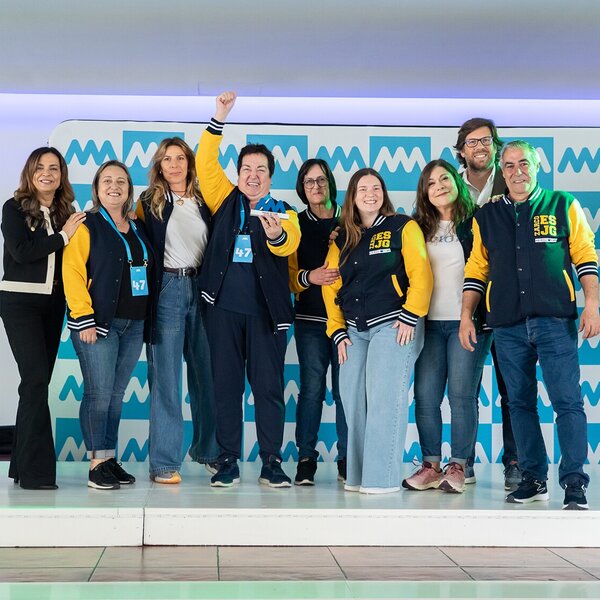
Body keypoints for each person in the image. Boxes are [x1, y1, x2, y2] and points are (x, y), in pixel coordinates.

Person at [459, 140, 599, 510]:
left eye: (524, 163)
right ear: (501, 172)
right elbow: (477, 269)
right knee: (519, 403)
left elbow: (585, 255)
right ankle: (533, 479)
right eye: (509, 165)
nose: (517, 171)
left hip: (555, 321)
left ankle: (574, 483)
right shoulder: (487, 216)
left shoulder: (562, 204)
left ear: (537, 166)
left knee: (567, 402)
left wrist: (592, 304)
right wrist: (466, 315)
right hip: (506, 325)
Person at [195, 92, 301, 488]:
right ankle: (227, 461)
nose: (252, 175)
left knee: (269, 390)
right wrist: (220, 116)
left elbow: (289, 243)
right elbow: (205, 162)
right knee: (225, 388)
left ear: (270, 177)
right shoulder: (224, 199)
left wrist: (275, 236)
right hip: (221, 311)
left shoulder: (283, 211)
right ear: (238, 174)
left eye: (261, 170)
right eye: (246, 169)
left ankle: (271, 462)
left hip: (266, 316)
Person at [322, 168, 433, 494]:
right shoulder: (343, 237)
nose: (370, 194)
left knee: (384, 399)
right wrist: (337, 330)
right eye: (362, 189)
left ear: (383, 193)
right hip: (354, 330)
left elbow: (421, 271)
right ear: (352, 197)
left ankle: (381, 480)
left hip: (394, 323)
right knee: (353, 400)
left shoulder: (402, 226)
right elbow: (330, 284)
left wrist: (411, 314)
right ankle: (357, 477)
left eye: (375, 188)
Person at [402, 160, 492, 494]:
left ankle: (459, 466)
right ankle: (430, 465)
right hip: (428, 323)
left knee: (461, 395)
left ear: (457, 182)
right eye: (431, 182)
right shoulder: (415, 227)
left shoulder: (477, 220)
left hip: (467, 322)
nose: (438, 185)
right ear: (424, 192)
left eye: (444, 178)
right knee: (425, 396)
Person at [63, 161, 154, 490]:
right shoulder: (86, 224)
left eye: (121, 181)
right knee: (98, 394)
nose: (114, 186)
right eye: (107, 181)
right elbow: (72, 271)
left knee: (116, 395)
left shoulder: (137, 227)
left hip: (133, 323)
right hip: (98, 323)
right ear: (97, 188)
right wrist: (83, 317)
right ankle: (96, 464)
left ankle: (108, 457)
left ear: (129, 189)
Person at [0, 147, 85, 490]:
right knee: (35, 380)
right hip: (20, 301)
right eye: (40, 167)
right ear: (30, 173)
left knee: (35, 385)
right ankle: (37, 474)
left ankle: (21, 467)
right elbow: (22, 252)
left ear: (62, 176)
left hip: (53, 304)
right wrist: (64, 235)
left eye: (54, 168)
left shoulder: (67, 212)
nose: (47, 173)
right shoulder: (14, 208)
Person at [136, 137, 219, 485]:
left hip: (202, 289)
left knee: (208, 374)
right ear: (159, 165)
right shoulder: (148, 202)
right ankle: (164, 463)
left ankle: (211, 452)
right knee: (166, 379)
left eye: (180, 158)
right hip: (167, 288)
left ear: (189, 163)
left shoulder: (204, 200)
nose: (174, 165)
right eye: (167, 159)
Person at [455, 117, 521, 490]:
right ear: (461, 149)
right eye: (473, 141)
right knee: (465, 389)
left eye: (487, 141)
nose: (481, 147)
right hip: (467, 302)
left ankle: (515, 461)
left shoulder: (513, 180)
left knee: (514, 389)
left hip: (511, 302)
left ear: (495, 146)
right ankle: (463, 462)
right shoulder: (448, 186)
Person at [289, 158, 347, 485]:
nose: (316, 186)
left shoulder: (350, 219)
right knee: (312, 388)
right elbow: (288, 278)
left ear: (330, 183)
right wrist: (310, 277)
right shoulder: (296, 224)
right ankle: (306, 458)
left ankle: (347, 458)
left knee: (345, 391)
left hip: (346, 323)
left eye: (321, 180)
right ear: (302, 187)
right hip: (309, 320)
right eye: (309, 182)